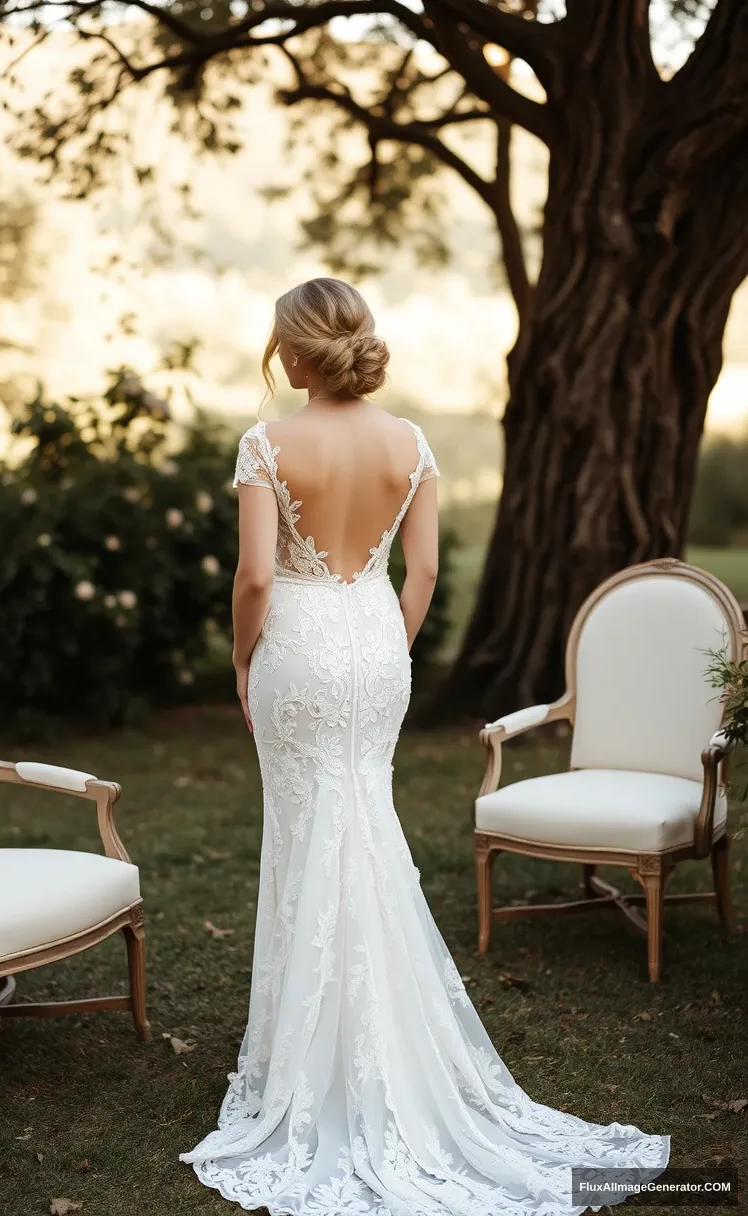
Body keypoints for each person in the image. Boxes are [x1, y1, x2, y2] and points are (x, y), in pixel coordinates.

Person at [180, 277, 669, 1214]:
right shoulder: (410, 442)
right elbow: (428, 568)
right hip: (371, 642)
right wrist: (387, 650)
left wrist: (243, 664)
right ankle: (364, 1042)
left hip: (300, 646)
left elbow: (253, 576)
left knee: (309, 830)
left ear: (291, 351)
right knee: (362, 825)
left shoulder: (266, 443)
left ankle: (316, 1064)